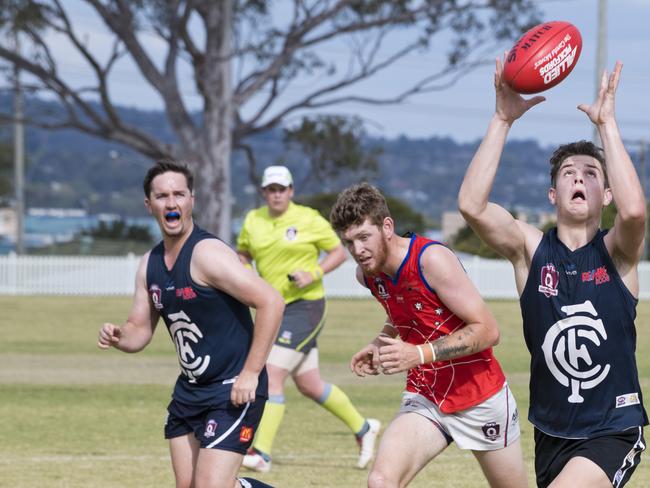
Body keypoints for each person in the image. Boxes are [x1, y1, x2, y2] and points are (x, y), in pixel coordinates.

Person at [458, 60, 647, 487]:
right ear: (553, 194)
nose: (579, 177)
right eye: (568, 173)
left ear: (607, 194)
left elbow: (635, 212)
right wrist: (502, 120)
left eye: (591, 174)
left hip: (613, 427)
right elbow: (471, 206)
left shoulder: (616, 253)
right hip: (552, 429)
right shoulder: (530, 251)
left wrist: (608, 125)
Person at [97, 160, 285, 488]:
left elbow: (271, 302)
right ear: (149, 204)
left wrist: (251, 373)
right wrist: (119, 335)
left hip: (232, 389)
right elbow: (139, 330)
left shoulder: (207, 254)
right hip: (190, 392)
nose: (171, 203)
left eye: (179, 194)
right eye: (162, 196)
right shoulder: (149, 265)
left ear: (191, 201)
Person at [329, 183, 528, 488]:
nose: (357, 251)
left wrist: (418, 354)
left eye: (363, 237)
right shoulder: (368, 274)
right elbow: (403, 311)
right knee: (381, 481)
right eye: (349, 242)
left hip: (480, 397)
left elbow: (488, 330)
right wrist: (379, 342)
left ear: (387, 227)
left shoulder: (431, 260)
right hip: (426, 396)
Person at [236, 165, 381, 472]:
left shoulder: (308, 219)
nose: (276, 194)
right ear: (264, 193)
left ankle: (261, 453)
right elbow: (243, 254)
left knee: (271, 374)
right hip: (272, 308)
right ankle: (364, 428)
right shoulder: (252, 220)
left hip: (305, 306)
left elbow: (338, 252)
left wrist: (313, 272)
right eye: (271, 189)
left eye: (282, 189)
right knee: (310, 384)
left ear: (291, 191)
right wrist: (249, 278)